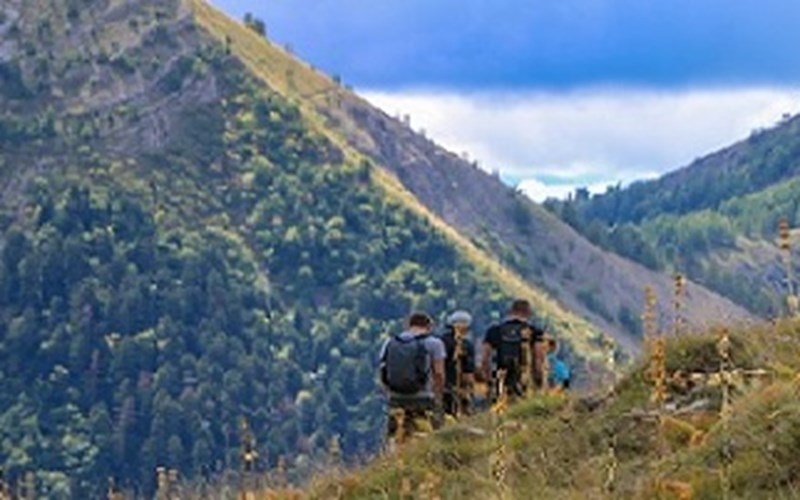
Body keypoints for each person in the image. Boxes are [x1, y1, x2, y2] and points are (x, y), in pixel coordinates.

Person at [379, 312, 446, 443]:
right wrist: (438, 395)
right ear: (429, 326)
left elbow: (383, 371)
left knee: (395, 437)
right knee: (430, 434)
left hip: (396, 396)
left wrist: (388, 391)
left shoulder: (390, 342)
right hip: (423, 397)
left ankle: (394, 459)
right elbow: (439, 373)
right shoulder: (434, 343)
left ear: (408, 325)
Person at [481, 299, 545, 400]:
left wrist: (489, 380)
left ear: (511, 311)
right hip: (524, 379)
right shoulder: (534, 331)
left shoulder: (494, 330)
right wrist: (539, 381)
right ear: (528, 313)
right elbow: (538, 359)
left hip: (501, 376)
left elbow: (485, 359)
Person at [438, 310, 477, 418]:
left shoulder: (440, 341)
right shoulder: (467, 345)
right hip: (457, 387)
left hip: (441, 386)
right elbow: (468, 373)